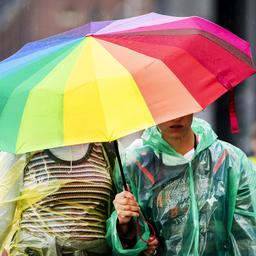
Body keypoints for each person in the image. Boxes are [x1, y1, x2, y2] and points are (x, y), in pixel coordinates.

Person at [107, 114, 256, 255]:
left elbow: (246, 233)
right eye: (166, 110)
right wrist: (129, 228)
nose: (176, 118)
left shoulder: (228, 160)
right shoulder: (135, 166)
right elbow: (131, 239)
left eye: (181, 109)